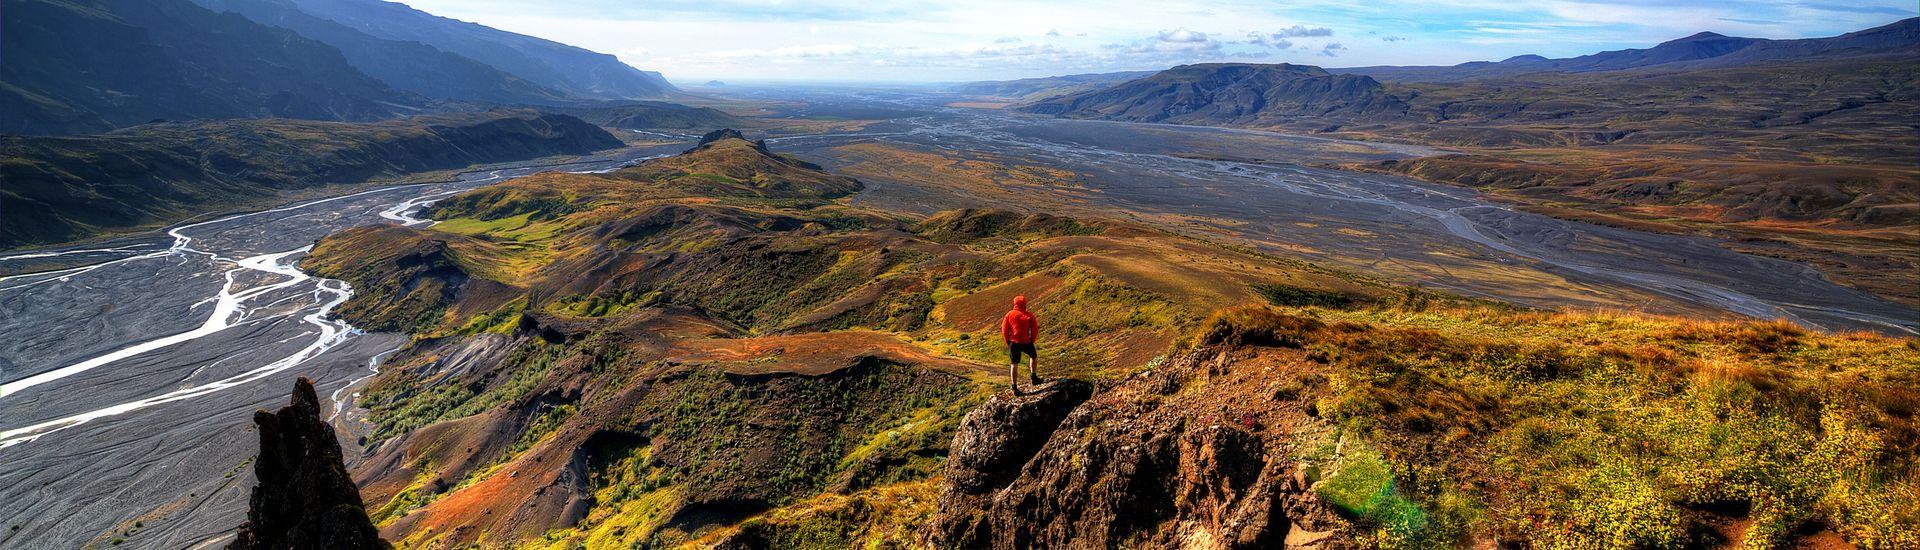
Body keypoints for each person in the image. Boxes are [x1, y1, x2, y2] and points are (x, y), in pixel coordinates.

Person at [1001, 295, 1041, 394]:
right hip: (1027, 342)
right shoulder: (1029, 315)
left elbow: (1004, 330)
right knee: (1033, 356)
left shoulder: (1009, 314)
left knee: (1014, 364)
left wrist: (1008, 341)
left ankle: (1014, 386)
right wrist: (1032, 340)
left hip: (1013, 342)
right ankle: (1034, 376)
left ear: (1015, 304)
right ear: (1025, 304)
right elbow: (1034, 329)